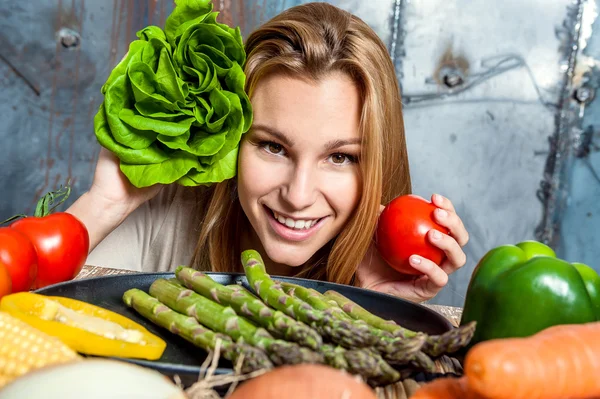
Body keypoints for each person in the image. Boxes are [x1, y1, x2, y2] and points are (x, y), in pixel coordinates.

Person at [67, 2, 469, 303]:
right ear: (232, 141)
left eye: (340, 157)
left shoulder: (390, 259)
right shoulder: (167, 214)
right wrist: (103, 205)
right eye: (273, 147)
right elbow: (17, 309)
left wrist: (377, 306)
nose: (297, 195)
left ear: (377, 162)